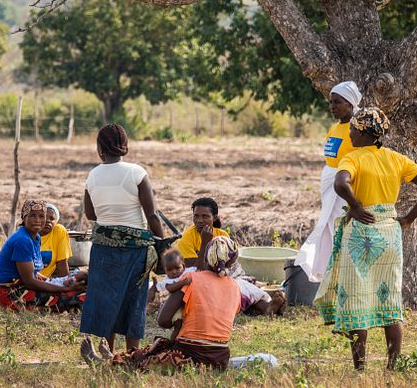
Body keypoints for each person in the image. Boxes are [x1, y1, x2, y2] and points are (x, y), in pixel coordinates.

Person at [314, 107, 417, 370]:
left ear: (361, 133)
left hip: (360, 233)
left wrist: (356, 206)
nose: (349, 134)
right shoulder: (395, 158)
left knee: (357, 300)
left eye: (352, 130)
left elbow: (340, 183)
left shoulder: (354, 158)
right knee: (390, 301)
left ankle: (360, 368)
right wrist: (408, 219)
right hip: (389, 233)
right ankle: (392, 367)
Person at [81, 236, 242, 371]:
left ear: (207, 257)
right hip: (219, 359)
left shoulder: (192, 279)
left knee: (153, 355)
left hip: (191, 353)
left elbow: (163, 321)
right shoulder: (236, 287)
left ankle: (107, 364)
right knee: (157, 351)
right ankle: (114, 358)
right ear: (233, 261)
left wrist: (179, 320)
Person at [80, 124, 165, 354]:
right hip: (134, 249)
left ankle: (106, 348)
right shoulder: (136, 172)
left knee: (107, 299)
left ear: (100, 149)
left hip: (103, 249)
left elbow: (91, 214)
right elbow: (152, 216)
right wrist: (162, 248)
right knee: (133, 301)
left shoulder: (93, 175)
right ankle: (132, 353)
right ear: (124, 145)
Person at [296, 81, 361, 282]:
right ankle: (328, 272)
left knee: (340, 227)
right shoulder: (334, 128)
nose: (332, 106)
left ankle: (343, 273)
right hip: (329, 182)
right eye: (331, 102)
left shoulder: (357, 129)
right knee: (327, 226)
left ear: (350, 104)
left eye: (338, 102)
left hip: (345, 184)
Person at [176, 197, 280, 315]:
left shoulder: (221, 235)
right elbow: (195, 272)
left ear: (214, 217)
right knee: (231, 290)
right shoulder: (187, 238)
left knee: (240, 287)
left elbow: (230, 264)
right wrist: (205, 242)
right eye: (196, 216)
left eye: (205, 216)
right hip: (198, 281)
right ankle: (265, 308)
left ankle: (267, 307)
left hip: (222, 275)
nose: (199, 220)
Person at [0, 200, 87, 312]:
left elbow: (34, 274)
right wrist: (63, 288)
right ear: (24, 217)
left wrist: (60, 282)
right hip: (10, 292)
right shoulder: (22, 240)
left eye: (42, 216)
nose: (38, 220)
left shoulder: (35, 237)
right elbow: (30, 281)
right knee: (70, 297)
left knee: (79, 283)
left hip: (24, 285)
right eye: (33, 216)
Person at [39, 203, 73, 279]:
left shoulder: (58, 231)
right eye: (43, 217)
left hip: (45, 281)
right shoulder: (26, 236)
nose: (47, 220)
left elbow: (62, 267)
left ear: (56, 222)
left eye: (52, 218)